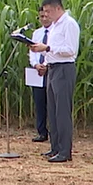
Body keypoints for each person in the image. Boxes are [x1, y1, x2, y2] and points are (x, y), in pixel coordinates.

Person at [29, 0, 80, 163]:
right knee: (52, 110)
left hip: (64, 68)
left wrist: (48, 47)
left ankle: (65, 151)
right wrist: (39, 50)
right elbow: (52, 50)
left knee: (62, 111)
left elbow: (70, 50)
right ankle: (55, 147)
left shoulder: (69, 24)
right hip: (52, 68)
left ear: (58, 8)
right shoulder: (55, 27)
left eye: (49, 11)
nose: (47, 15)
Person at [28, 9, 52, 146]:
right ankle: (42, 132)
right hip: (37, 72)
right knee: (39, 102)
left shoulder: (55, 32)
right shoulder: (36, 33)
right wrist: (36, 64)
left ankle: (54, 132)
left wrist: (45, 65)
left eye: (46, 16)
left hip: (50, 70)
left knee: (52, 103)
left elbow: (52, 49)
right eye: (41, 17)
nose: (44, 19)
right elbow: (32, 52)